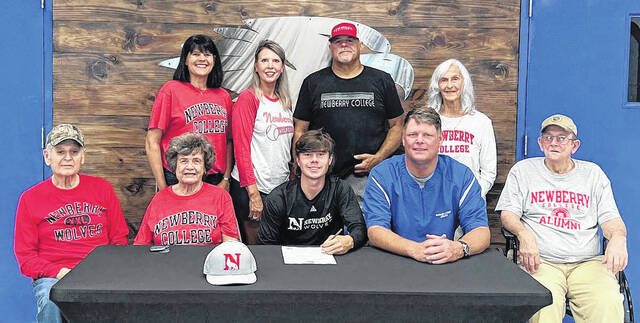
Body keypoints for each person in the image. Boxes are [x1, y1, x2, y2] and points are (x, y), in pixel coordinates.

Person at [496, 114, 627, 322]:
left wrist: (619, 239)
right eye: (548, 137)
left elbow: (611, 219)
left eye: (561, 138)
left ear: (574, 146)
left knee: (608, 301)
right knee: (542, 304)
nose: (554, 143)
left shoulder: (593, 174)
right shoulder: (523, 171)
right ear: (540, 143)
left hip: (587, 263)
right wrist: (523, 234)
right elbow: (508, 214)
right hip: (540, 262)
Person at [14, 124, 129, 323]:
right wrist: (60, 272)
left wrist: (103, 271)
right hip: (54, 277)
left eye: (74, 152)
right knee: (51, 299)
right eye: (60, 152)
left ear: (82, 156)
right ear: (47, 156)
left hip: (98, 273)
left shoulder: (102, 189)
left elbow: (119, 241)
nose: (68, 157)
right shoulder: (30, 198)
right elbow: (26, 257)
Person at [293, 22, 405, 201]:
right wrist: (301, 169)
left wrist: (378, 158)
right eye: (338, 41)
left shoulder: (382, 80)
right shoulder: (313, 83)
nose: (344, 44)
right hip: (322, 176)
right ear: (331, 48)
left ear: (360, 45)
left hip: (367, 177)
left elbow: (397, 125)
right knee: (323, 228)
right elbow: (300, 130)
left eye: (350, 40)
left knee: (364, 227)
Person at [363, 107, 489, 264]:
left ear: (440, 140)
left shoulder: (461, 176)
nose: (419, 140)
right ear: (403, 139)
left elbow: (481, 231)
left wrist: (457, 249)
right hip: (393, 261)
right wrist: (414, 249)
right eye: (412, 135)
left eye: (428, 135)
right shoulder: (382, 175)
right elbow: (375, 231)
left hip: (445, 262)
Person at [146, 34, 233, 192]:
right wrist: (163, 186)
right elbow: (152, 141)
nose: (202, 59)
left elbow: (228, 142)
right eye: (195, 54)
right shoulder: (171, 90)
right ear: (185, 60)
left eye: (207, 55)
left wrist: (226, 179)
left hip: (214, 179)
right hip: (178, 177)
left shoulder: (223, 96)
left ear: (214, 60)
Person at [257, 130, 366, 254]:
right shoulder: (278, 197)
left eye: (321, 154)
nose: (314, 160)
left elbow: (359, 227)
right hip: (289, 262)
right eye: (307, 154)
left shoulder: (340, 189)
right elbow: (265, 245)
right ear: (298, 160)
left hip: (330, 256)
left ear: (330, 159)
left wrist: (350, 240)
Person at [230, 40, 294, 244]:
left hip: (279, 187)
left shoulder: (285, 102)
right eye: (264, 60)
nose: (270, 66)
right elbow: (240, 148)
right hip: (253, 189)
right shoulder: (248, 99)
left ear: (282, 67)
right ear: (256, 66)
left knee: (275, 249)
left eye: (275, 61)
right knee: (257, 250)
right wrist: (253, 194)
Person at [135, 133, 239, 245]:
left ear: (205, 167)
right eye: (183, 161)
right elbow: (141, 245)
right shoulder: (159, 199)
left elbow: (230, 246)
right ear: (175, 166)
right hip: (166, 262)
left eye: (196, 161)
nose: (189, 167)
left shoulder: (220, 196)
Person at [427, 58, 496, 198]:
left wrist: (473, 197)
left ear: (464, 82)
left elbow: (489, 171)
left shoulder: (481, 122)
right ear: (437, 85)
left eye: (455, 79)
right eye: (444, 80)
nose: (449, 85)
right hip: (432, 200)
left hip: (469, 202)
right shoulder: (427, 120)